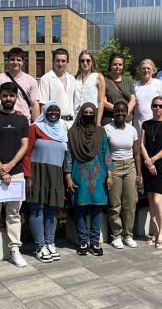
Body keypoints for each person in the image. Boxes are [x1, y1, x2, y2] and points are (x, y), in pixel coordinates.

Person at [0, 82, 30, 272]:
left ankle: (15, 250)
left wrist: (9, 167)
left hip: (16, 173)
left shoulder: (22, 119)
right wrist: (1, 168)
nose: (8, 99)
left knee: (14, 214)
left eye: (11, 95)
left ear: (16, 97)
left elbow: (24, 146)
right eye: (4, 95)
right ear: (0, 97)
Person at [64, 102, 112, 256]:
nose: (89, 115)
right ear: (81, 114)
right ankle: (83, 241)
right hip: (79, 174)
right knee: (79, 208)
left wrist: (110, 174)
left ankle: (95, 241)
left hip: (99, 175)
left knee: (97, 208)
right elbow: (69, 155)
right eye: (86, 112)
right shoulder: (72, 133)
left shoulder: (100, 132)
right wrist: (68, 176)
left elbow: (106, 152)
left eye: (92, 113)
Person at [24, 100, 68, 263]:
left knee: (52, 210)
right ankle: (39, 246)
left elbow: (66, 156)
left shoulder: (62, 131)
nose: (53, 113)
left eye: (56, 110)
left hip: (56, 173)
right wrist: (28, 176)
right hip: (37, 172)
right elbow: (27, 154)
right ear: (45, 111)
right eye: (50, 110)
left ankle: (50, 243)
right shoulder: (35, 128)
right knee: (37, 209)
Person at [104, 101, 142, 249]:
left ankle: (128, 235)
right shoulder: (107, 129)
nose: (120, 114)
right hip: (114, 166)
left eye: (122, 111)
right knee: (115, 204)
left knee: (130, 203)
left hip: (130, 166)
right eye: (117, 111)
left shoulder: (132, 130)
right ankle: (116, 235)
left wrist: (139, 174)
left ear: (127, 113)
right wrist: (108, 172)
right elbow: (105, 153)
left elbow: (137, 153)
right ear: (113, 113)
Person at [139, 96, 162, 249]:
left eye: (160, 106)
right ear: (151, 107)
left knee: (158, 201)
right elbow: (141, 144)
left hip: (161, 166)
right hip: (148, 167)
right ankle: (154, 232)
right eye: (155, 106)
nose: (158, 108)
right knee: (151, 202)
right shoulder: (146, 124)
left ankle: (161, 234)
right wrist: (147, 161)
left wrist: (153, 160)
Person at [0, 47, 40, 123]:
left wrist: (36, 125)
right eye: (12, 59)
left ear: (23, 62)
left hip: (24, 122)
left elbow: (35, 105)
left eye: (18, 60)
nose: (15, 62)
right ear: (7, 61)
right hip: (2, 122)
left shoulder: (31, 81)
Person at [39, 48, 76, 126]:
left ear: (68, 62)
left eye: (63, 61)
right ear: (53, 61)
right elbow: (43, 105)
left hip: (71, 123)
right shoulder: (45, 79)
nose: (60, 63)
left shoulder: (72, 79)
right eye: (57, 60)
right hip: (53, 123)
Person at [133, 59, 162, 136]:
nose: (146, 70)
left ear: (153, 70)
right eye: (143, 68)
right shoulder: (135, 86)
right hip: (138, 124)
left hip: (155, 122)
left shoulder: (158, 84)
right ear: (140, 70)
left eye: (148, 68)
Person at [101, 53, 136, 126]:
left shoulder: (128, 80)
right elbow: (103, 101)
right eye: (115, 64)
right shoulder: (104, 81)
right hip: (110, 119)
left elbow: (133, 100)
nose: (117, 67)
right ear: (110, 65)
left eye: (120, 64)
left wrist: (125, 113)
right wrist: (119, 111)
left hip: (126, 120)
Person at [74, 50, 105, 125]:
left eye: (88, 60)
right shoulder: (75, 78)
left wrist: (98, 122)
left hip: (91, 116)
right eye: (82, 61)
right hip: (76, 117)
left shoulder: (98, 77)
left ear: (92, 62)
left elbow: (101, 102)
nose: (85, 63)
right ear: (79, 62)